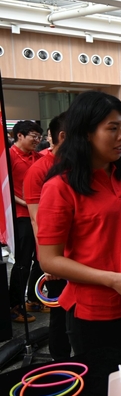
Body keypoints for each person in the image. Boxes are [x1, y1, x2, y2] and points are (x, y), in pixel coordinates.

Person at [37, 91, 121, 355]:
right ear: (86, 133)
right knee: (108, 380)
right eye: (112, 128)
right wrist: (113, 280)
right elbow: (49, 260)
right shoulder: (60, 187)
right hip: (96, 312)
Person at [23, 113, 71, 360]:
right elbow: (37, 218)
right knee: (60, 313)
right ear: (63, 136)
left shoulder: (84, 164)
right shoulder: (40, 169)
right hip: (58, 255)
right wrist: (48, 260)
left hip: (83, 252)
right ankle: (60, 363)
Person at [8, 120, 43, 323]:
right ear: (19, 135)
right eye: (33, 136)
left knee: (41, 258)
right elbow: (5, 188)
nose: (37, 140)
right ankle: (15, 305)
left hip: (39, 214)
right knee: (23, 262)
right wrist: (26, 203)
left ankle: (33, 298)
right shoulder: (9, 157)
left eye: (39, 137)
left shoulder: (37, 157)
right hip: (21, 215)